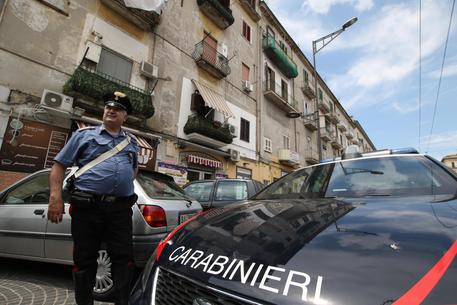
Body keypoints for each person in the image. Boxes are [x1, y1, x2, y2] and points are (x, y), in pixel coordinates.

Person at [47, 91, 139, 305]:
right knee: (85, 260)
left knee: (123, 259)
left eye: (117, 108)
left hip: (120, 210)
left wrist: (121, 183)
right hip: (88, 208)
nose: (111, 110)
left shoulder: (131, 142)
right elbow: (59, 166)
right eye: (108, 106)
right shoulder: (84, 135)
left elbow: (134, 170)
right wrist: (55, 196)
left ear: (125, 116)